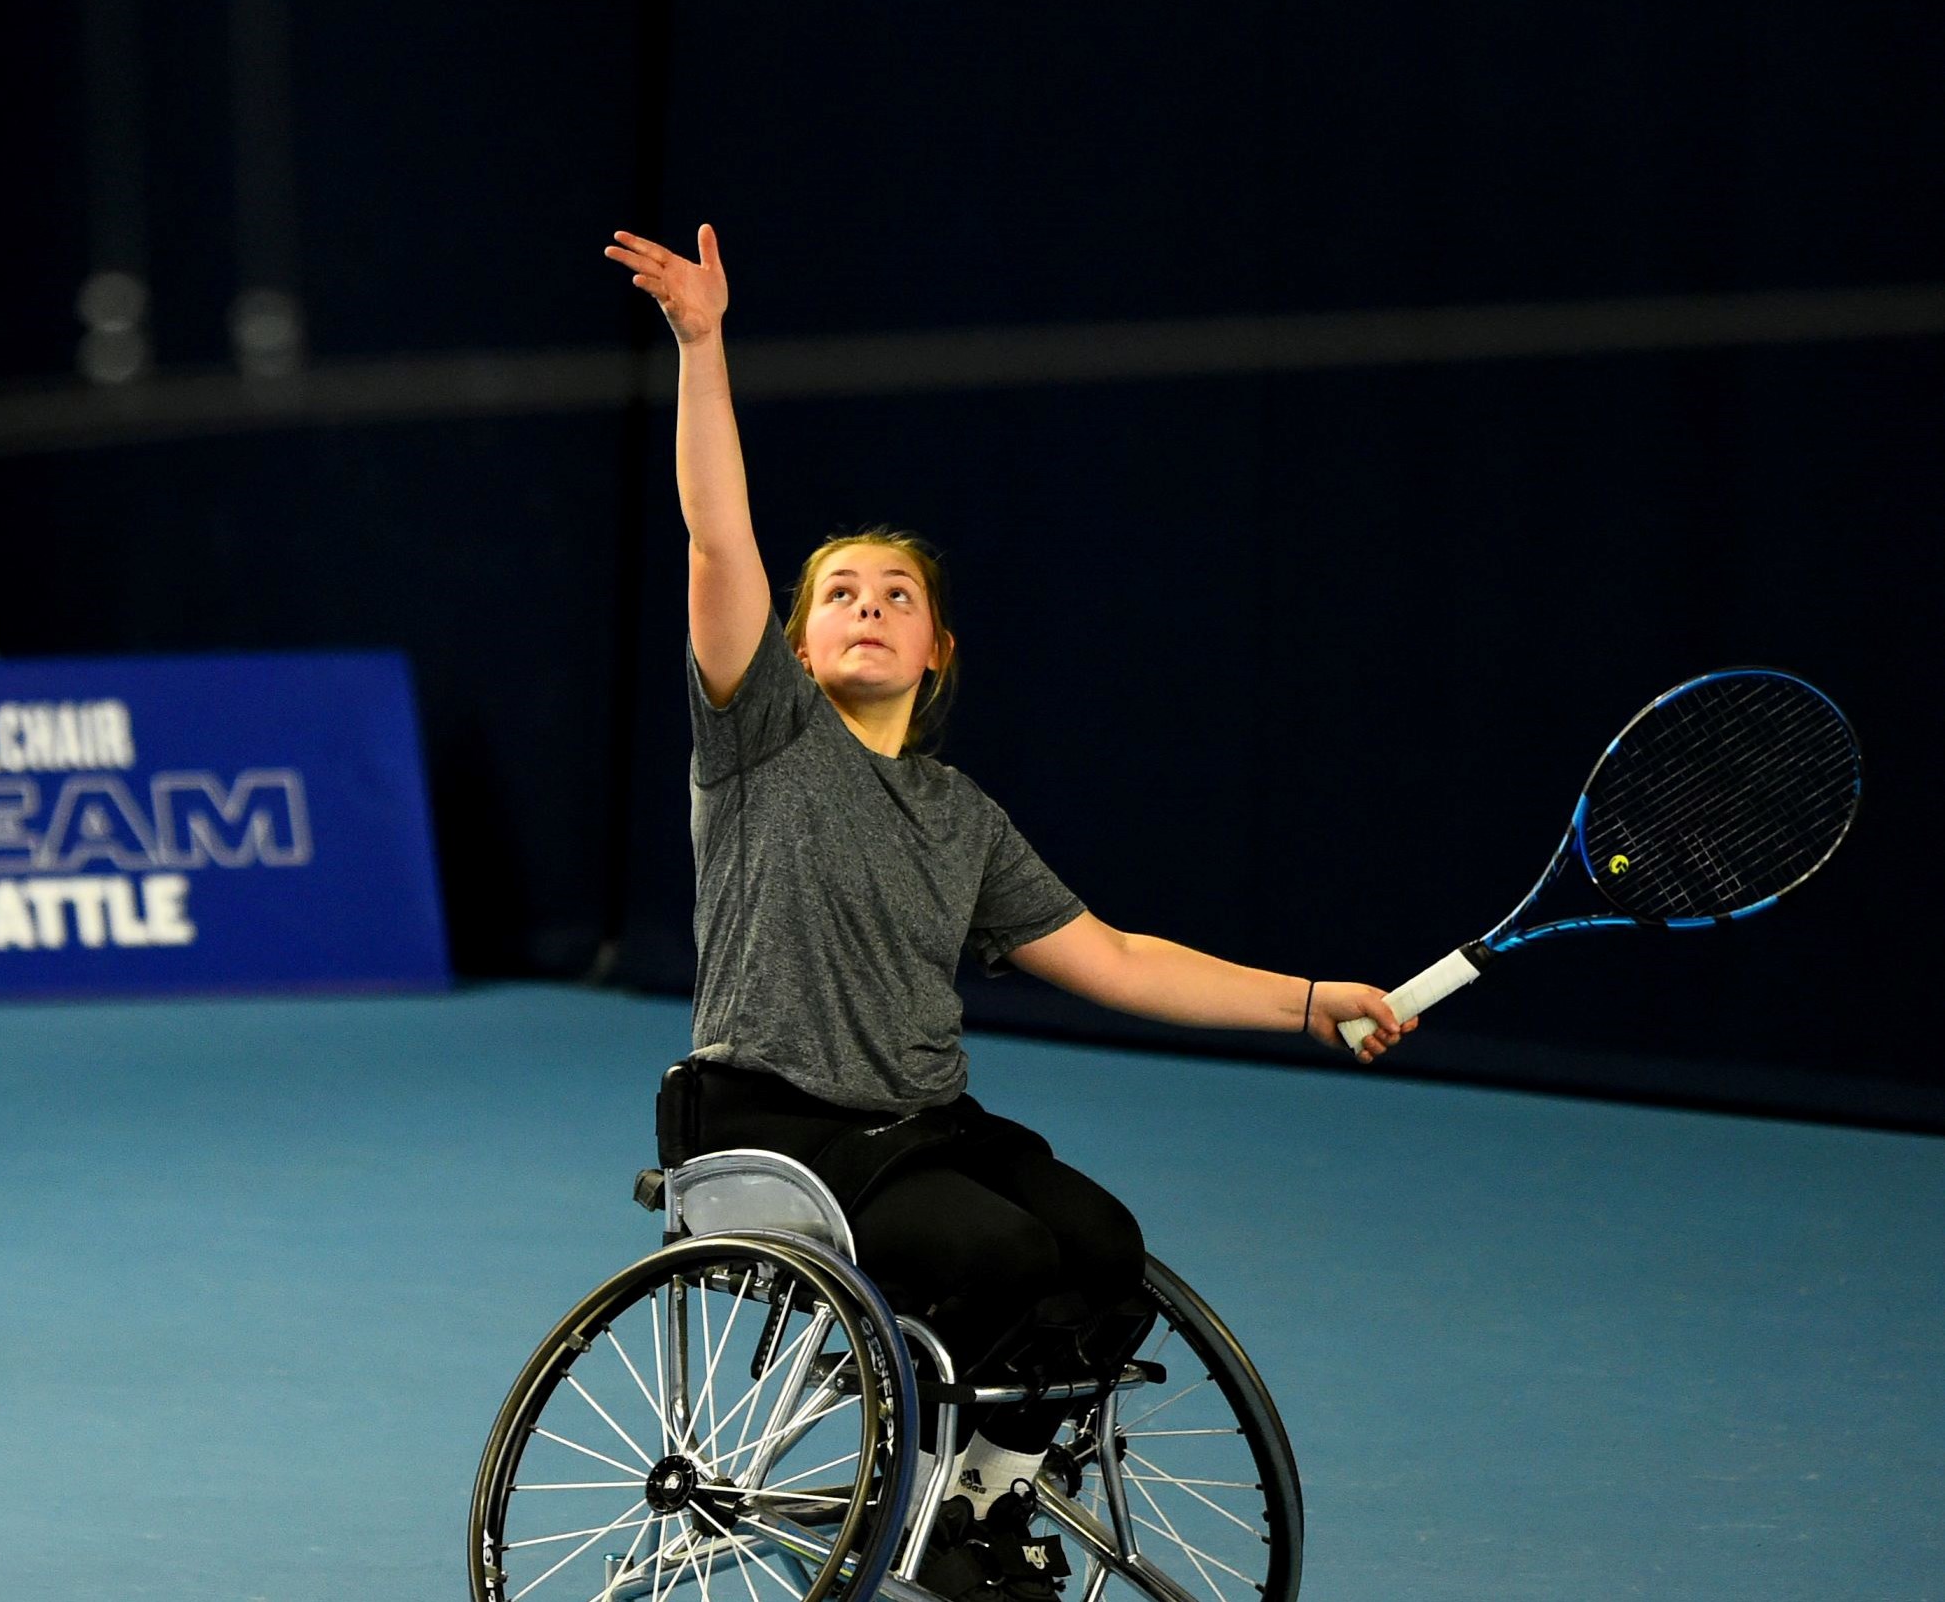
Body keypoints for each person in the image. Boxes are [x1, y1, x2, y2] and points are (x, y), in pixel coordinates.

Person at [605, 222, 1411, 1600]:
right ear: (794, 644)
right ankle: (946, 1519)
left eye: (895, 595)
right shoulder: (760, 739)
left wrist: (1305, 994)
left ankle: (974, 1505)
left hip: (922, 1128)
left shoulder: (959, 817)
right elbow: (715, 530)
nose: (866, 608)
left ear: (936, 647)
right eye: (838, 594)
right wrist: (701, 343)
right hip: (767, 1115)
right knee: (991, 1254)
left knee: (1096, 1246)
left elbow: (1109, 955)